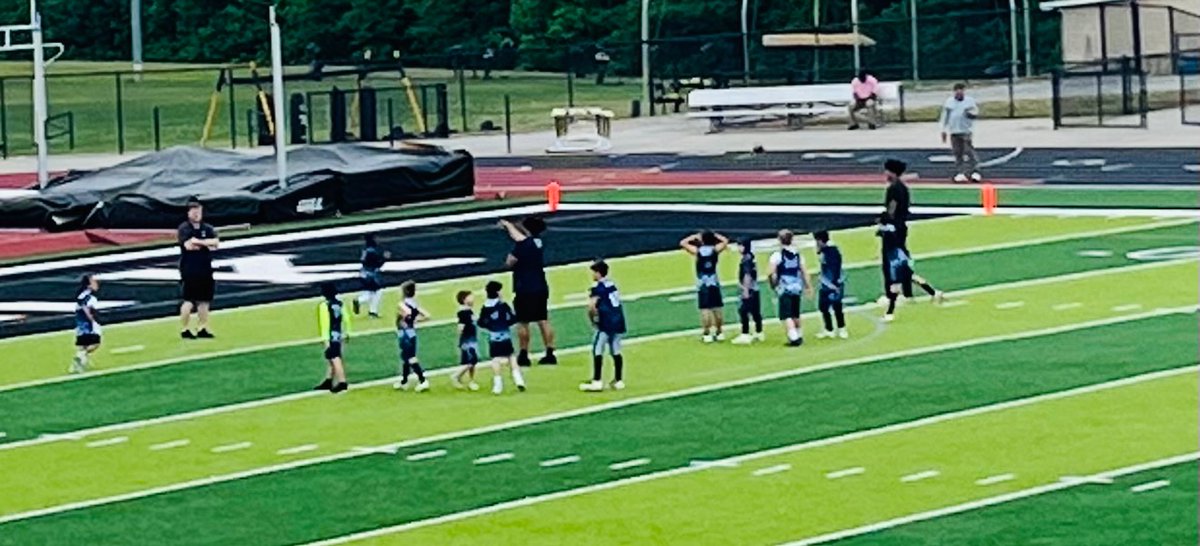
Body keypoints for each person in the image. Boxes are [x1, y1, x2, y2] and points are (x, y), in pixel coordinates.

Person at [500, 216, 557, 367]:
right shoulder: (538, 242)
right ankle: (550, 352)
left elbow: (510, 261)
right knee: (543, 319)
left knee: (523, 322)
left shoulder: (523, 244)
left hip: (524, 287)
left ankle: (524, 354)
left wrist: (508, 225)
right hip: (540, 285)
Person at [878, 215, 945, 322]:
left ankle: (890, 312)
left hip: (895, 259)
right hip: (901, 256)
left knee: (896, 285)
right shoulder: (893, 229)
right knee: (911, 277)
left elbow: (886, 239)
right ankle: (934, 293)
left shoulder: (888, 231)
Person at [580, 260, 627, 392]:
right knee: (616, 349)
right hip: (618, 319)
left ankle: (597, 380)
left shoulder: (597, 288)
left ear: (598, 273)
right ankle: (618, 380)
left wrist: (593, 320)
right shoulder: (612, 285)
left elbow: (592, 306)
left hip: (606, 321)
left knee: (598, 349)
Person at [178, 200, 219, 339]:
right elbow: (189, 246)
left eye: (199, 212)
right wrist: (205, 243)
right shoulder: (184, 228)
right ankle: (185, 329)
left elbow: (215, 243)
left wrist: (199, 242)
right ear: (189, 213)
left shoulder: (207, 228)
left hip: (205, 267)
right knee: (189, 300)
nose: (197, 214)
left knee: (204, 300)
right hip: (190, 268)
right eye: (194, 212)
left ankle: (202, 327)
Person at [477, 280, 527, 395]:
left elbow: (481, 322)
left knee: (495, 359)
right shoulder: (503, 305)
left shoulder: (485, 307)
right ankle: (518, 379)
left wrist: (491, 326)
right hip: (505, 336)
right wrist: (505, 324)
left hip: (493, 337)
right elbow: (512, 318)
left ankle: (498, 384)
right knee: (511, 356)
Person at [680, 230, 729, 343]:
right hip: (714, 282)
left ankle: (707, 333)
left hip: (702, 283)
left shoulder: (698, 251)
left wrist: (694, 236)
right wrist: (715, 235)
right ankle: (719, 332)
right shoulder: (715, 250)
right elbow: (725, 241)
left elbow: (683, 243)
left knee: (705, 309)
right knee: (717, 308)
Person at [768, 229, 814, 347]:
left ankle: (794, 338)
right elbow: (804, 272)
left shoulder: (777, 256)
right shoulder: (798, 255)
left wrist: (773, 284)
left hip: (785, 287)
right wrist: (808, 286)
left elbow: (772, 273)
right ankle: (799, 334)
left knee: (786, 315)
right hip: (796, 287)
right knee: (795, 313)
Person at [940, 83, 982, 183]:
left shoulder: (969, 101)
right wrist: (943, 130)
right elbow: (944, 116)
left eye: (961, 90)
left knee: (969, 151)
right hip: (954, 131)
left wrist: (971, 114)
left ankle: (975, 171)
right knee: (957, 153)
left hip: (966, 130)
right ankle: (960, 172)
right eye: (957, 90)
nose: (959, 92)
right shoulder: (949, 102)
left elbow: (975, 112)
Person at [394, 281, 430, 392]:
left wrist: (408, 318)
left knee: (410, 357)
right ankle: (404, 381)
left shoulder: (402, 304)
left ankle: (423, 380)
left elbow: (407, 313)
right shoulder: (414, 304)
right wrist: (415, 320)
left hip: (405, 333)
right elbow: (427, 315)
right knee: (406, 358)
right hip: (411, 332)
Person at [314, 282, 351, 393]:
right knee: (334, 356)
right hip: (339, 333)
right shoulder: (340, 304)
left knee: (334, 357)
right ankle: (329, 379)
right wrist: (347, 332)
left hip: (330, 334)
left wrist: (325, 339)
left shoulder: (324, 305)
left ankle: (342, 381)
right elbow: (346, 318)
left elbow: (325, 323)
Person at [883, 158, 912, 298]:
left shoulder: (894, 189)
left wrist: (883, 221)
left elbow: (891, 210)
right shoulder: (903, 188)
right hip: (901, 227)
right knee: (902, 260)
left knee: (890, 262)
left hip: (893, 229)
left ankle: (892, 293)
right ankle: (907, 290)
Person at [813, 231, 848, 339]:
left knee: (837, 306)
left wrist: (835, 284)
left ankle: (841, 328)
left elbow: (835, 268)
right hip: (826, 282)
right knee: (823, 307)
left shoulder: (832, 251)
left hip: (833, 283)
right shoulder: (824, 251)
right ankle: (829, 329)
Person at [732, 238, 764, 345]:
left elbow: (747, 275)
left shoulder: (746, 259)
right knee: (755, 311)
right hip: (755, 288)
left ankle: (745, 334)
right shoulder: (752, 257)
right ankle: (759, 332)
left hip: (749, 289)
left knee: (743, 311)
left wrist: (745, 289)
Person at [71, 274, 102, 374]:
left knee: (84, 345)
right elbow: (86, 307)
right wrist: (91, 319)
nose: (96, 283)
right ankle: (80, 358)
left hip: (81, 322)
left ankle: (80, 363)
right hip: (87, 323)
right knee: (95, 343)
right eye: (93, 282)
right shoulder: (89, 296)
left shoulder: (83, 294)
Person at [353, 234, 389, 318]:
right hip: (371, 275)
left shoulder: (365, 250)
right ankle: (371, 310)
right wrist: (384, 258)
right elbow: (377, 264)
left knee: (369, 292)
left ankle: (361, 302)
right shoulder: (372, 251)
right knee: (378, 292)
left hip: (364, 273)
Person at [451, 290, 481, 391]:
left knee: (471, 362)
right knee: (472, 360)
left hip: (472, 338)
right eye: (470, 297)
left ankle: (471, 381)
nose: (473, 299)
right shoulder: (463, 312)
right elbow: (460, 327)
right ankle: (456, 376)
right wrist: (461, 340)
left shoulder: (469, 311)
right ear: (464, 299)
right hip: (467, 340)